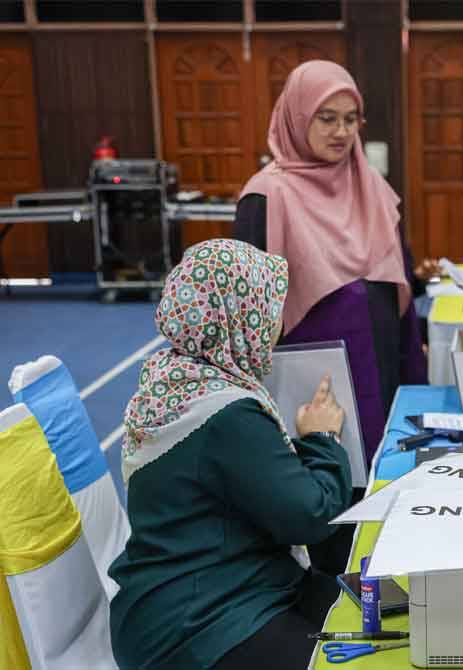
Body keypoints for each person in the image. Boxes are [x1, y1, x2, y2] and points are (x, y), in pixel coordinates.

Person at [109, 239, 354, 669]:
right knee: (358, 653)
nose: (278, 320)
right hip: (198, 622)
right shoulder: (224, 411)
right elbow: (308, 514)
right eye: (270, 304)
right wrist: (323, 439)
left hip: (192, 596)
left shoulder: (175, 379)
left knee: (371, 616)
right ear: (236, 313)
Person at [235, 60, 430, 465]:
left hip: (382, 366)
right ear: (297, 117)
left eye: (351, 119)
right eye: (327, 118)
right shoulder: (267, 196)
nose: (341, 132)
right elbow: (244, 315)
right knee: (327, 493)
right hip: (311, 385)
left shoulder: (372, 186)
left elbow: (399, 281)